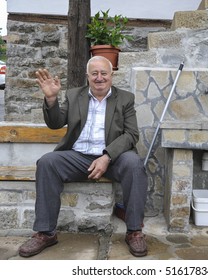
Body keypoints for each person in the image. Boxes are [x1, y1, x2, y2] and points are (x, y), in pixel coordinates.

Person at [18, 56, 148, 257]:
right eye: (94, 73)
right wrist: (51, 100)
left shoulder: (125, 99)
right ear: (87, 76)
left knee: (134, 163)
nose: (99, 78)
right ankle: (45, 232)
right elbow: (55, 123)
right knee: (47, 163)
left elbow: (131, 135)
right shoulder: (74, 95)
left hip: (113, 158)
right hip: (78, 156)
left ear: (111, 75)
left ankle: (134, 231)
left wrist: (107, 156)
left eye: (103, 73)